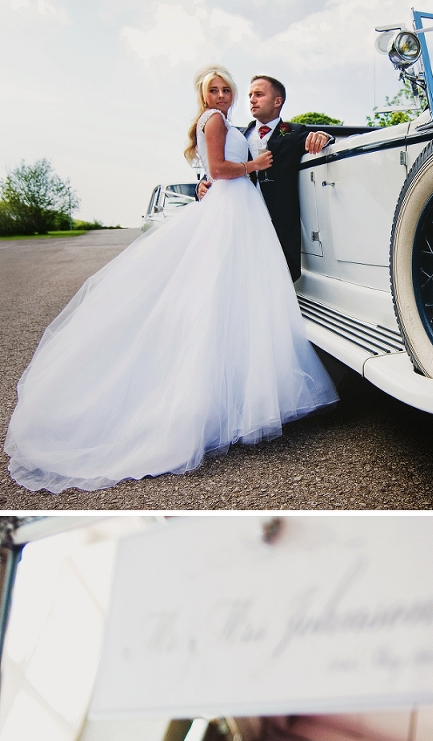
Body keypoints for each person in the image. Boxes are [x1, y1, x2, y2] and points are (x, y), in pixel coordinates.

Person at [4, 66, 337, 495]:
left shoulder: (275, 129)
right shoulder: (218, 121)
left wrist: (321, 138)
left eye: (234, 90)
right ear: (205, 96)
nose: (233, 96)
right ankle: (210, 404)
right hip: (235, 213)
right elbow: (219, 167)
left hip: (249, 216)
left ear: (273, 100)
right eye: (219, 90)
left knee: (240, 300)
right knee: (222, 296)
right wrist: (244, 167)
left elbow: (231, 161)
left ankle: (235, 393)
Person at [198, 74, 334, 281]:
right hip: (240, 220)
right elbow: (216, 164)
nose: (252, 99)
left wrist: (324, 136)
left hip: (278, 225)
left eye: (259, 94)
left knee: (275, 282)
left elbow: (324, 140)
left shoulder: (294, 132)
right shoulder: (237, 135)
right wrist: (201, 185)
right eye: (250, 95)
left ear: (277, 101)